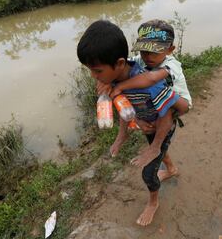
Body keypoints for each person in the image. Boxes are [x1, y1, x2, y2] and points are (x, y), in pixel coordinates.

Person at [77, 20, 180, 226]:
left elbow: (167, 114)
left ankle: (153, 202)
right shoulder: (114, 78)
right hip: (147, 121)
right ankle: (171, 168)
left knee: (148, 170)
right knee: (154, 145)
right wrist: (122, 134)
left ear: (120, 63)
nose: (93, 77)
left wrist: (155, 147)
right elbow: (124, 105)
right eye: (90, 70)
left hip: (163, 126)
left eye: (97, 71)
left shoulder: (149, 83)